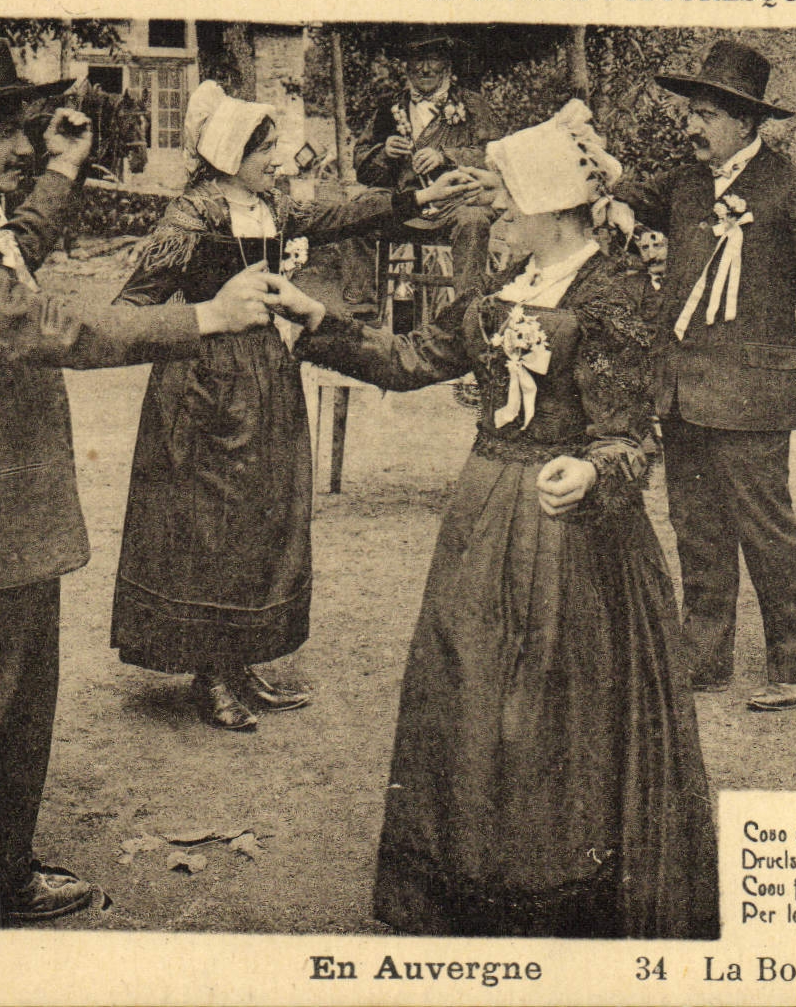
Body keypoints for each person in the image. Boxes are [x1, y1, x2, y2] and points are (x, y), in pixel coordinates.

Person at [0, 40, 303, 926]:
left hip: (12, 516)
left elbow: (20, 248)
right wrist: (206, 315)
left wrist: (63, 169)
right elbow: (49, 327)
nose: (22, 146)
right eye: (4, 132)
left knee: (18, 716)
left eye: (25, 129)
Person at [296, 100, 719, 938]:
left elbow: (630, 435)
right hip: (482, 513)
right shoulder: (503, 288)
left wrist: (592, 469)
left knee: (546, 709)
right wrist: (314, 325)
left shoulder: (614, 287)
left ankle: (552, 894)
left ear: (547, 205)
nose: (490, 214)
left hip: (567, 534)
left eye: (503, 198)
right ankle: (470, 878)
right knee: (469, 686)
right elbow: (415, 356)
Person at [110, 81, 482, 731]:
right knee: (211, 528)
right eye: (265, 151)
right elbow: (128, 307)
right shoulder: (192, 216)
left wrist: (421, 195)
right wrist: (202, 315)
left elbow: (341, 217)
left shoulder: (269, 206)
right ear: (231, 154)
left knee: (260, 519)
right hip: (201, 389)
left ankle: (241, 663)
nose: (278, 161)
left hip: (265, 378)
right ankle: (212, 675)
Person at [615, 40, 796, 712]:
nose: (690, 128)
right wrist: (595, 167)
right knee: (695, 527)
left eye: (703, 116)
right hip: (683, 388)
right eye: (690, 115)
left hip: (752, 395)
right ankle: (703, 658)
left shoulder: (790, 183)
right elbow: (627, 192)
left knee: (766, 530)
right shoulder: (684, 181)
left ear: (744, 124)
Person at [338, 27, 500, 312]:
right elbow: (361, 167)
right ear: (407, 66)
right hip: (405, 203)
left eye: (433, 59)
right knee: (357, 210)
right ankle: (360, 312)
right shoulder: (390, 108)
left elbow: (496, 156)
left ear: (447, 65)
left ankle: (467, 314)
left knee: (474, 220)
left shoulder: (472, 105)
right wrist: (383, 153)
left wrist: (446, 156)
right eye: (417, 60)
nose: (425, 68)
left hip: (456, 204)